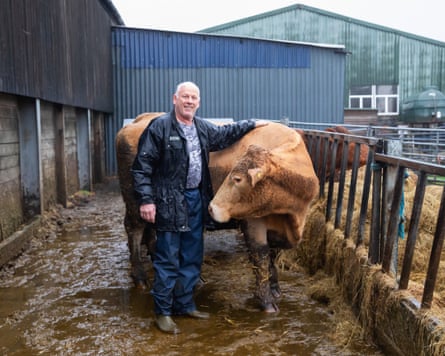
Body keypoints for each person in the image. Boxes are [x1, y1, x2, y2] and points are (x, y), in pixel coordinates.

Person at [131, 81, 267, 334]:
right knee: (168, 258)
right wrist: (147, 201)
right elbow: (142, 167)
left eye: (194, 97)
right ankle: (162, 312)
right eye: (185, 97)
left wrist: (253, 123)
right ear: (175, 99)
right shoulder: (159, 127)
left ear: (199, 102)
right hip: (169, 200)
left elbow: (226, 133)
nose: (189, 101)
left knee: (192, 256)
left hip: (195, 199)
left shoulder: (202, 127)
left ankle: (184, 304)